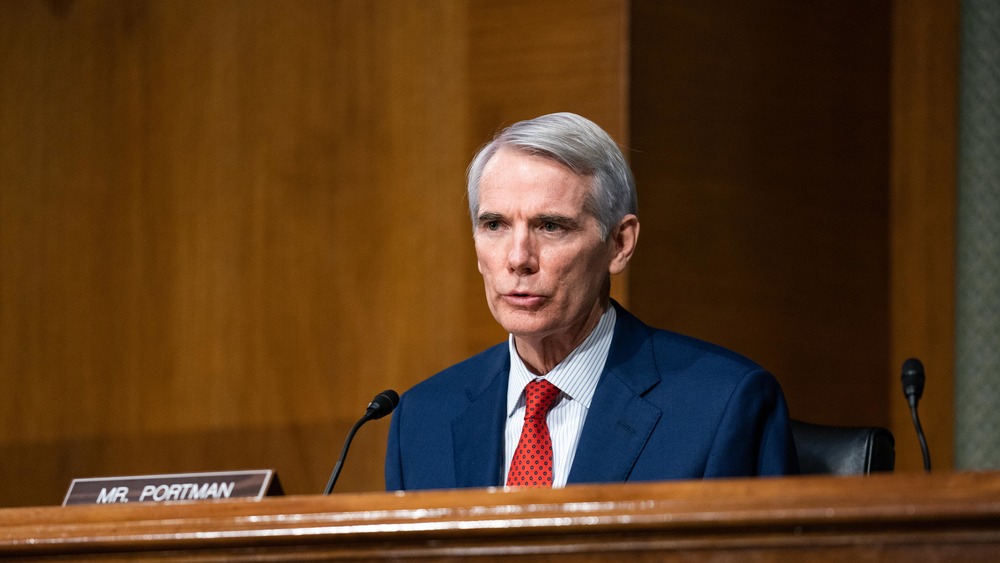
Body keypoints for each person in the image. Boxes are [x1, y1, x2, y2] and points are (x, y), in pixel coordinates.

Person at [385, 112, 797, 491]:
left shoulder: (721, 405)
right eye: (495, 225)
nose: (517, 259)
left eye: (550, 226)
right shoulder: (422, 419)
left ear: (619, 244)